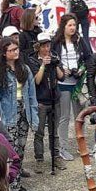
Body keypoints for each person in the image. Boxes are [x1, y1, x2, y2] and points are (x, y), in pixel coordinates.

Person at [0, 37, 38, 191]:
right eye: (11, 50)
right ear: (4, 53)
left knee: (21, 149)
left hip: (24, 112)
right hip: (8, 114)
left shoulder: (24, 69)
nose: (15, 52)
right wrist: (0, 118)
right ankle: (11, 187)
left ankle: (17, 184)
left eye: (16, 49)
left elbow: (32, 95)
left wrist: (34, 117)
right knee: (10, 151)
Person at [52, 13, 95, 161]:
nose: (72, 28)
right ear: (63, 26)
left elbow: (89, 57)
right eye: (69, 25)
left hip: (77, 84)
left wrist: (82, 70)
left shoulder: (79, 41)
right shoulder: (56, 42)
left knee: (80, 116)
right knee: (64, 117)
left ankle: (81, 145)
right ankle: (62, 148)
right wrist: (62, 70)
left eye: (74, 25)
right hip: (63, 84)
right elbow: (53, 60)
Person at [28, 32, 66, 171]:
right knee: (39, 132)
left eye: (48, 45)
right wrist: (43, 65)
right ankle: (39, 159)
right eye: (43, 46)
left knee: (54, 132)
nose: (46, 49)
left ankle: (56, 157)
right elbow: (36, 81)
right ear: (38, 46)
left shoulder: (54, 56)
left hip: (54, 99)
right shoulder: (32, 60)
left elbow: (62, 77)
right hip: (41, 101)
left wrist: (55, 64)